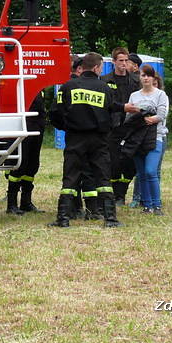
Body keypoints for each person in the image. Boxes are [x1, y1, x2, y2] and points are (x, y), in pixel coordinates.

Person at [48, 52, 121, 228]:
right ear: (96, 68)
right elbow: (113, 113)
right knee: (103, 178)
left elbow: (55, 113)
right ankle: (110, 219)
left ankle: (63, 218)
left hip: (75, 138)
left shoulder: (67, 86)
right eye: (101, 67)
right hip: (99, 139)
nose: (101, 71)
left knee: (70, 177)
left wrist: (67, 127)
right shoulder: (105, 88)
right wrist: (106, 130)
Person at [123, 64, 169, 215]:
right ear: (140, 77)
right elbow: (129, 117)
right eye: (143, 75)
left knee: (150, 171)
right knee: (142, 173)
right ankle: (147, 205)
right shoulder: (134, 96)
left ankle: (157, 205)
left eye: (149, 75)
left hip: (155, 137)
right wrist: (143, 117)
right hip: (136, 138)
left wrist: (144, 118)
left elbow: (161, 115)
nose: (146, 78)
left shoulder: (160, 94)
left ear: (153, 77)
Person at [103, 47, 141, 207]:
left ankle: (123, 193)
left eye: (126, 60)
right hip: (112, 127)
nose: (124, 63)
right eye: (120, 60)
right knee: (113, 162)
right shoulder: (105, 81)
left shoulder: (135, 80)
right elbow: (105, 104)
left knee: (129, 162)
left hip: (132, 127)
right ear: (113, 62)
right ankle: (116, 195)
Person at [5, 91, 47, 214]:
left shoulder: (39, 88)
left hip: (37, 128)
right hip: (23, 127)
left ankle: (26, 202)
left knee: (32, 166)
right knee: (19, 165)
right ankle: (11, 204)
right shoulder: (20, 86)